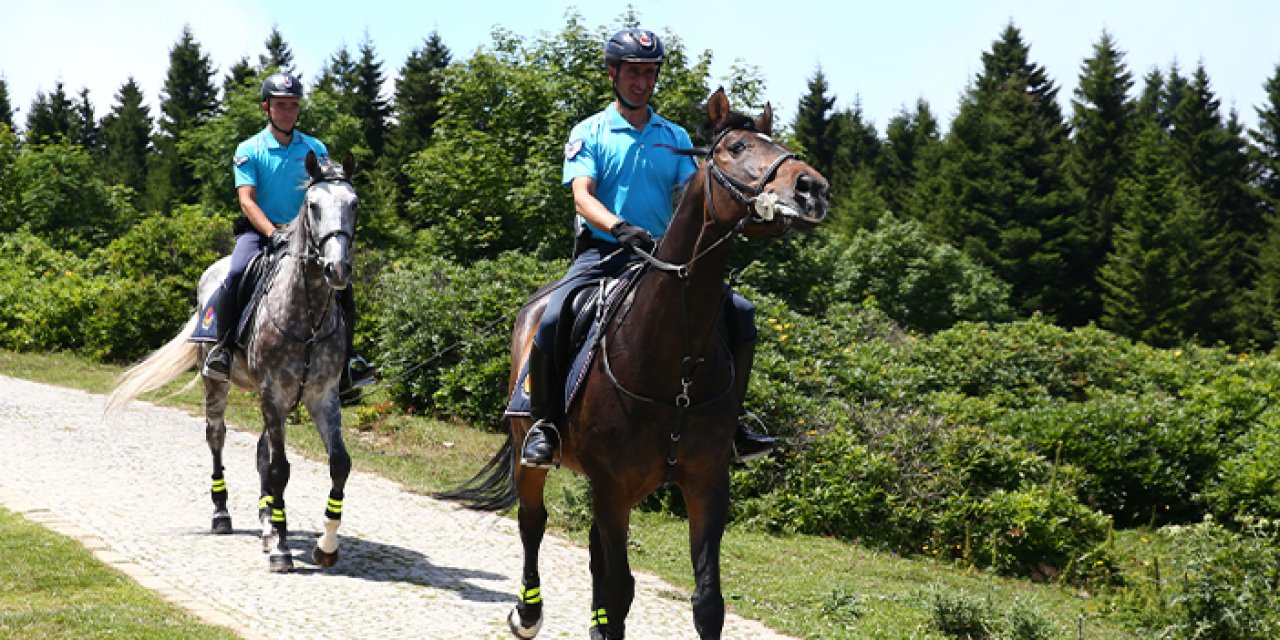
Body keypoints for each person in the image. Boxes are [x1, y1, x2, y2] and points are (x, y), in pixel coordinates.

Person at [519, 28, 775, 468]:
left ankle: (733, 424)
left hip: (660, 259)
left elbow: (699, 195)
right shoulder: (591, 131)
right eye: (633, 73)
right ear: (613, 74)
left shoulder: (673, 137)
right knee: (555, 316)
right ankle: (543, 424)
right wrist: (618, 227)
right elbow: (582, 196)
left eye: (649, 74)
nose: (642, 82)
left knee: (741, 312)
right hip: (602, 252)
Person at [201, 72, 377, 393]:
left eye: (293, 106)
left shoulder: (315, 148)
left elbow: (326, 194)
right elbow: (246, 201)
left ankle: (349, 360)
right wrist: (272, 232)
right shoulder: (249, 149)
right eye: (281, 106)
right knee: (237, 271)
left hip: (306, 238)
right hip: (261, 232)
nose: (288, 112)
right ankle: (222, 350)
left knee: (342, 284)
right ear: (266, 108)